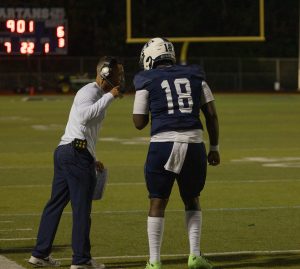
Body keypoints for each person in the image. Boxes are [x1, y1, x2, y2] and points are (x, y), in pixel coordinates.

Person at [29, 56, 124, 269]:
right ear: (106, 73)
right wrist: (109, 96)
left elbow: (84, 131)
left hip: (71, 152)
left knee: (55, 205)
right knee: (81, 209)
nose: (121, 77)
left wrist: (93, 157)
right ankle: (81, 260)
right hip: (74, 155)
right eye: (118, 73)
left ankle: (40, 254)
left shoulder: (96, 94)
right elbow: (83, 117)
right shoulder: (90, 91)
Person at [132, 38, 220, 269]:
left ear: (150, 57)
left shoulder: (146, 79)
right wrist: (214, 148)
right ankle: (194, 256)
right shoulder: (195, 76)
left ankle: (154, 261)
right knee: (192, 199)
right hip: (194, 143)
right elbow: (211, 115)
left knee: (157, 202)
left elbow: (139, 122)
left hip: (163, 144)